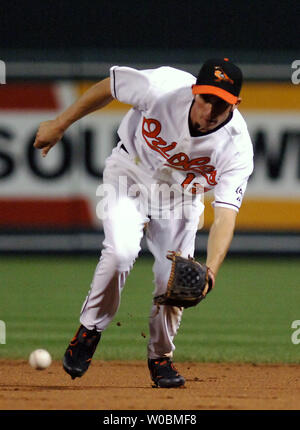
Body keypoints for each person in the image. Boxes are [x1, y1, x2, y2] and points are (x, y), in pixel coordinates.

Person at [34, 58, 253, 388]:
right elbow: (110, 86)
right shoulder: (161, 87)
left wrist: (211, 271)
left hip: (181, 198)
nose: (209, 111)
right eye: (205, 99)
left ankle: (160, 357)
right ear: (195, 92)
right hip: (130, 175)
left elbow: (225, 215)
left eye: (220, 104)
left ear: (234, 105)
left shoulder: (236, 146)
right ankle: (89, 331)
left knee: (175, 281)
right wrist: (61, 123)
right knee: (121, 252)